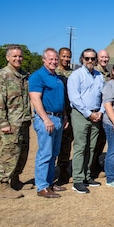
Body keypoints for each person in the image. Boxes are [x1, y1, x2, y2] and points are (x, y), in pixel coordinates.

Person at [0, 45, 33, 199]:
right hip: (11, 123)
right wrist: (3, 123)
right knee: (9, 153)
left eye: (20, 56)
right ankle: (4, 185)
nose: (18, 59)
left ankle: (15, 180)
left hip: (24, 120)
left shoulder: (23, 75)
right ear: (8, 57)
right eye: (14, 56)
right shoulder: (2, 75)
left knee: (22, 152)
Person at [29, 48, 68, 198]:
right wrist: (46, 119)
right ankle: (42, 186)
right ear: (44, 60)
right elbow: (35, 99)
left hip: (58, 118)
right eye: (50, 59)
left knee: (53, 154)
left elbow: (61, 99)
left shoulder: (57, 77)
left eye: (55, 59)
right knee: (45, 154)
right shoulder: (38, 76)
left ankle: (50, 182)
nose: (54, 62)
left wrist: (64, 116)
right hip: (46, 119)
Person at [68, 48, 105, 194]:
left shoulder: (99, 76)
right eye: (87, 58)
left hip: (96, 114)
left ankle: (87, 176)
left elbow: (104, 95)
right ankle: (77, 179)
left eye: (92, 58)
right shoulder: (76, 75)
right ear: (82, 59)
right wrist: (88, 114)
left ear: (96, 60)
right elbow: (74, 98)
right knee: (80, 147)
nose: (90, 61)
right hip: (81, 114)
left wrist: (100, 112)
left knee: (92, 147)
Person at [55, 47, 74, 186]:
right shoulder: (53, 72)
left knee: (67, 143)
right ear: (58, 56)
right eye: (64, 56)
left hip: (71, 113)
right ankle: (56, 171)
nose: (66, 59)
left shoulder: (73, 74)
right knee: (57, 144)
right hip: (57, 114)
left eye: (68, 57)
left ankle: (63, 169)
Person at [91, 49, 111, 179]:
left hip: (106, 112)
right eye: (102, 57)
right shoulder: (94, 72)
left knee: (101, 141)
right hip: (96, 111)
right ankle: (90, 167)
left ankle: (96, 164)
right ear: (98, 58)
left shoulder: (109, 73)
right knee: (93, 141)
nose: (104, 59)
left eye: (106, 57)